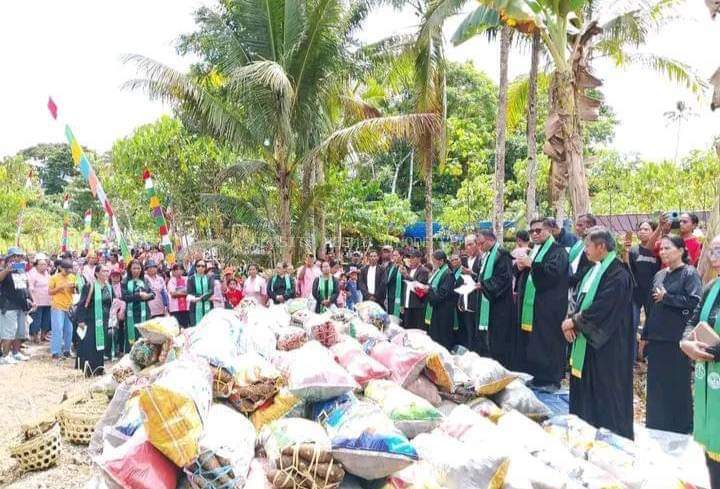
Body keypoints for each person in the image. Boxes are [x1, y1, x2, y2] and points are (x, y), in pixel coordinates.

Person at [562, 227, 634, 439]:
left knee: (606, 395)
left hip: (607, 347)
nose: (585, 251)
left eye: (588, 246)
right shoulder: (594, 270)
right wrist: (571, 321)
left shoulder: (618, 274)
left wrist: (574, 322)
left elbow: (603, 308)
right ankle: (584, 430)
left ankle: (610, 439)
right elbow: (579, 300)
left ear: (601, 247)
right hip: (586, 340)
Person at [641, 235, 701, 434]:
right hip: (657, 338)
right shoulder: (659, 275)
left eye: (668, 248)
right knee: (657, 384)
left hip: (676, 338)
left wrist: (668, 298)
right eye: (661, 249)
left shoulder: (689, 274)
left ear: (681, 250)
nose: (663, 252)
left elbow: (694, 303)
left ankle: (680, 427)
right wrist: (645, 336)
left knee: (677, 383)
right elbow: (651, 307)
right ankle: (657, 424)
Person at [680, 234, 720, 489]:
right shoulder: (711, 287)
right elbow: (693, 321)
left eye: (719, 249)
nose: (713, 253)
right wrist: (686, 342)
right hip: (710, 380)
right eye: (713, 248)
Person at [515, 218, 570, 388]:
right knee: (536, 343)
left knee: (550, 342)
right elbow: (527, 275)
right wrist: (519, 267)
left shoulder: (559, 251)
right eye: (532, 231)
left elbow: (552, 274)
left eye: (539, 230)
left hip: (550, 306)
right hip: (534, 306)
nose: (535, 234)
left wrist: (531, 264)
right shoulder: (535, 250)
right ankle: (539, 376)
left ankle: (552, 380)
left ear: (551, 230)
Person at [475, 230, 515, 367]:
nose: (479, 247)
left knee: (500, 340)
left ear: (490, 240)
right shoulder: (488, 255)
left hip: (501, 306)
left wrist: (484, 285)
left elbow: (503, 279)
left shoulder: (502, 254)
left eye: (481, 243)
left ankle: (501, 369)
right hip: (490, 303)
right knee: (489, 340)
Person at [622, 221, 661, 358]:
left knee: (653, 324)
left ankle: (648, 354)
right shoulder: (632, 250)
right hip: (634, 293)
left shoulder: (659, 250)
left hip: (653, 294)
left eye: (646, 229)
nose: (642, 231)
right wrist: (625, 253)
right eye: (640, 229)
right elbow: (627, 270)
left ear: (653, 232)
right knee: (632, 324)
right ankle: (631, 358)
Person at [76, 265, 113, 376]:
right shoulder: (89, 286)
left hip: (104, 320)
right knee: (90, 345)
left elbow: (110, 302)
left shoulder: (108, 287)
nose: (106, 273)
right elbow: (82, 304)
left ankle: (99, 368)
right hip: (90, 320)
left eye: (107, 271)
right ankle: (89, 370)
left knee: (101, 344)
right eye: (103, 271)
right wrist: (81, 320)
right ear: (97, 273)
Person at [0, 248, 33, 364]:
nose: (18, 258)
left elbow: (25, 287)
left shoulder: (21, 271)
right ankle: (5, 355)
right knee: (9, 332)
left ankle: (16, 353)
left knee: (20, 331)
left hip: (22, 305)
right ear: (9, 258)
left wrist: (31, 300)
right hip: (9, 306)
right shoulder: (3, 269)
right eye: (15, 256)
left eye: (20, 256)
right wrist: (7, 270)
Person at [422, 250, 457, 350]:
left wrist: (429, 289)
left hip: (444, 311)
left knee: (442, 339)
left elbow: (442, 293)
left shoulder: (448, 274)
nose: (433, 263)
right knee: (435, 338)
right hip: (436, 310)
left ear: (441, 261)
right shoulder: (438, 271)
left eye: (434, 261)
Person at [121, 259, 155, 352]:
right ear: (130, 269)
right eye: (134, 268)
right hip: (131, 313)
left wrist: (147, 296)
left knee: (145, 335)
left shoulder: (145, 280)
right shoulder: (125, 281)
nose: (136, 270)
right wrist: (138, 295)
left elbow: (153, 294)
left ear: (141, 269)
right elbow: (125, 297)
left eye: (138, 268)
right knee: (132, 335)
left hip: (144, 312)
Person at [48, 258, 77, 360]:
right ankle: (56, 352)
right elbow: (50, 292)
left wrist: (73, 288)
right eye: (66, 270)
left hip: (69, 306)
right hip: (57, 306)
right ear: (60, 268)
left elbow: (74, 292)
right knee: (58, 329)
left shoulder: (73, 277)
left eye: (69, 270)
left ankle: (67, 350)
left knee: (69, 330)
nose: (67, 272)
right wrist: (60, 287)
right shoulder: (54, 278)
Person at [459, 234, 483, 352]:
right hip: (467, 299)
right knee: (469, 332)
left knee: (477, 333)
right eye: (466, 245)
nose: (468, 248)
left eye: (470, 244)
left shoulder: (481, 259)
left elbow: (484, 279)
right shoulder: (467, 260)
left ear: (477, 245)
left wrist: (472, 273)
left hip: (477, 300)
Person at [401, 249, 429, 329]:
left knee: (417, 329)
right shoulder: (409, 270)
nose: (411, 260)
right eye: (410, 257)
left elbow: (419, 287)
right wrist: (403, 303)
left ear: (419, 259)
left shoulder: (423, 271)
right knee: (407, 327)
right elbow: (405, 288)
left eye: (413, 257)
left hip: (417, 305)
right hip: (407, 305)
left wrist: (406, 276)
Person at [568, 214, 598, 290]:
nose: (577, 228)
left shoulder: (595, 242)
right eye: (576, 225)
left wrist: (572, 280)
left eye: (580, 225)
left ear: (590, 226)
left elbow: (590, 265)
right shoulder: (579, 242)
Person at [27, 254, 52, 343]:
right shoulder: (32, 273)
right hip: (37, 301)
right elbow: (30, 288)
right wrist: (33, 300)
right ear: (36, 265)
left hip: (48, 301)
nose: (43, 266)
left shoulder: (47, 273)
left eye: (45, 264)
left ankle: (43, 335)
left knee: (46, 319)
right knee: (36, 320)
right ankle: (35, 336)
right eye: (41, 264)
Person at [188, 259, 215, 325]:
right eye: (198, 266)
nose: (200, 268)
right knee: (196, 329)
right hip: (195, 308)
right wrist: (204, 297)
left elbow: (211, 291)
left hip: (208, 307)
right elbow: (190, 293)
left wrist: (200, 297)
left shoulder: (209, 278)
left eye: (203, 266)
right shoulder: (191, 279)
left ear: (205, 268)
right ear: (195, 267)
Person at [385, 250, 406, 319]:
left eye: (396, 255)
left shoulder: (404, 268)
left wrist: (403, 303)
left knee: (398, 320)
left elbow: (404, 287)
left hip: (399, 299)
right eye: (393, 255)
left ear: (401, 256)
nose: (393, 257)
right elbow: (387, 280)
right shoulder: (390, 267)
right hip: (390, 298)